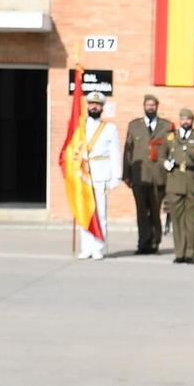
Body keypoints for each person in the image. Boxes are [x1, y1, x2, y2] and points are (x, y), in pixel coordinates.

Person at [160, 108, 194, 264]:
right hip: (175, 181)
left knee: (191, 220)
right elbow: (161, 155)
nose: (185, 121)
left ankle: (190, 253)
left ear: (192, 120)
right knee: (177, 219)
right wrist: (165, 163)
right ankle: (179, 253)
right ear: (179, 120)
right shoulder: (170, 137)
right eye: (182, 119)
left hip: (192, 181)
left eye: (188, 119)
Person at [124, 94, 171, 254]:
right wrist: (126, 174)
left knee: (155, 211)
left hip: (159, 176)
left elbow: (173, 150)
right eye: (147, 105)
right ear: (143, 106)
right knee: (142, 211)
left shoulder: (167, 126)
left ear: (157, 106)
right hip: (139, 176)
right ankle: (143, 243)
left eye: (153, 105)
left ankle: (154, 242)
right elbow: (128, 151)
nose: (150, 107)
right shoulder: (134, 126)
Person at [77, 92, 121, 260]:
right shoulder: (80, 126)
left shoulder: (110, 128)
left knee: (100, 213)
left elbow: (115, 153)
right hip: (84, 174)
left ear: (102, 107)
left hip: (101, 174)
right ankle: (86, 247)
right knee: (84, 212)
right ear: (87, 106)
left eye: (97, 105)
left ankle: (98, 247)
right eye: (91, 104)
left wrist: (116, 176)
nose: (94, 107)